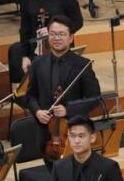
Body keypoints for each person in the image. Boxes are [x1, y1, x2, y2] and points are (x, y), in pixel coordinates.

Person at [24, 15, 102, 158]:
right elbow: (30, 96)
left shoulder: (82, 65)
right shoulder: (38, 63)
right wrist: (37, 111)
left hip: (73, 132)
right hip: (45, 133)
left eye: (62, 34)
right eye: (53, 34)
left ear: (71, 38)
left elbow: (95, 98)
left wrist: (68, 109)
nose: (57, 38)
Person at [7, 0, 84, 87]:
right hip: (36, 55)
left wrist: (57, 31)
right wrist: (25, 56)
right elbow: (24, 30)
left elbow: (78, 21)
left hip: (61, 52)